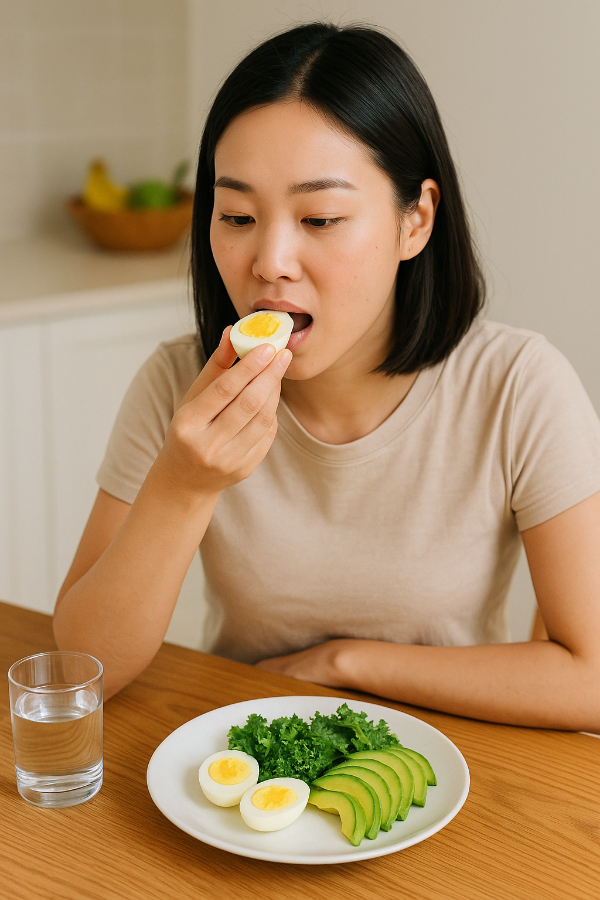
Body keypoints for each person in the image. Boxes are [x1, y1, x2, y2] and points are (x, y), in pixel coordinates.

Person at [53, 22, 600, 730]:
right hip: (244, 751)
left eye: (320, 217)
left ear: (416, 221)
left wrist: (344, 663)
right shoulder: (177, 385)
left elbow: (590, 676)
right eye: (237, 215)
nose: (269, 262)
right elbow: (81, 670)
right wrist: (183, 485)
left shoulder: (518, 387)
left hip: (449, 762)